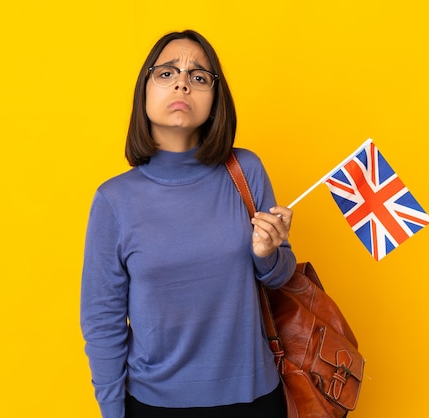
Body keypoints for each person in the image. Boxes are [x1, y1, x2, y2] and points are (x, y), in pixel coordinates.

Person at [80, 29, 296, 418]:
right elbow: (102, 321)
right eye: (166, 73)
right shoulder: (113, 200)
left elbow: (281, 275)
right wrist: (113, 411)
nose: (182, 81)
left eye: (199, 77)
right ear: (144, 90)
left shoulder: (245, 171)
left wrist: (268, 254)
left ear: (214, 101)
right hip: (153, 404)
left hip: (255, 398)